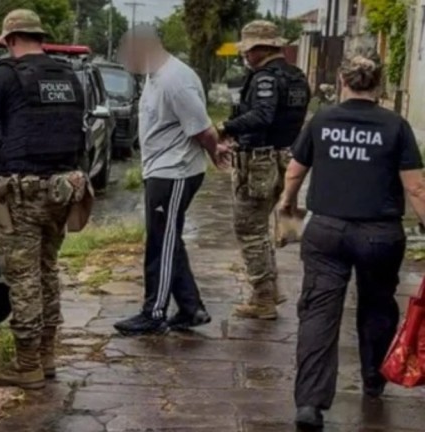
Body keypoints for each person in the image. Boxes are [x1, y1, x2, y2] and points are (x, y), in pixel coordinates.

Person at [279, 52, 425, 429]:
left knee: (318, 313)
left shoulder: (323, 120)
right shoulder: (396, 126)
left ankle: (310, 404)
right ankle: (374, 379)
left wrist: (287, 208)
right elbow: (416, 188)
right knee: (377, 307)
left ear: (342, 82)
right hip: (380, 235)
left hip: (326, 231)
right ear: (380, 84)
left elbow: (295, 172)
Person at [0, 9, 90, 390]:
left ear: (9, 39)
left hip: (21, 191)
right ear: (40, 37)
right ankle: (48, 357)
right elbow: (79, 134)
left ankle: (27, 365)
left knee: (23, 279)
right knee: (47, 271)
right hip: (61, 190)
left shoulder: (5, 76)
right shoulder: (69, 76)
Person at [112, 24, 229, 335]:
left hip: (175, 171)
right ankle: (191, 309)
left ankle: (154, 311)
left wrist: (216, 151)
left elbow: (203, 128)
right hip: (160, 169)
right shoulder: (155, 75)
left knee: (161, 243)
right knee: (167, 240)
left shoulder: (176, 80)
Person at [217, 20, 311, 320]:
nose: (245, 56)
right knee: (262, 227)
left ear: (262, 49)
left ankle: (263, 297)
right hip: (286, 158)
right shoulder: (297, 76)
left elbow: (262, 115)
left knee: (249, 228)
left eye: (248, 50)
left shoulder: (265, 79)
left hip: (260, 161)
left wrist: (226, 128)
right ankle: (271, 289)